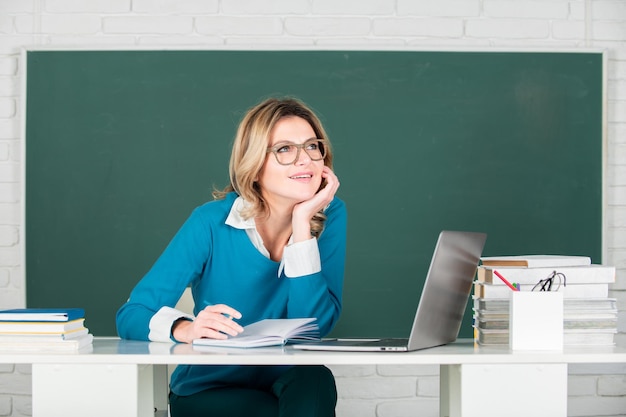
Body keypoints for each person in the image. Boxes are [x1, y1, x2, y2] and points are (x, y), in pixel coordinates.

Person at [116, 96, 347, 417]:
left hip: (285, 380)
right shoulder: (210, 222)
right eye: (284, 149)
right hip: (209, 388)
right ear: (254, 166)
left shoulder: (329, 215)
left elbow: (313, 329)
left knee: (315, 379)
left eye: (311, 146)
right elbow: (132, 313)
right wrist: (185, 328)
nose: (305, 160)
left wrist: (301, 227)